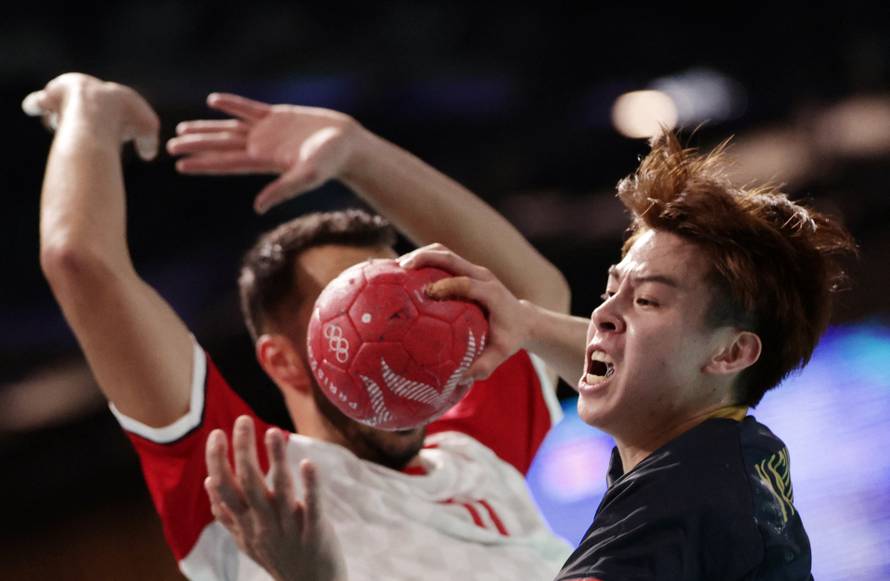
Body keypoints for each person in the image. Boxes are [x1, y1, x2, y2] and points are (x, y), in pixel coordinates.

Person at [209, 132, 856, 579]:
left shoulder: (677, 504)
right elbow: (663, 365)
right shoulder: (739, 450)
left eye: (649, 300)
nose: (603, 314)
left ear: (731, 351)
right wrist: (522, 322)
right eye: (610, 289)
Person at [26, 73, 589, 580]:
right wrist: (89, 113)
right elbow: (81, 263)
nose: (398, 329)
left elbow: (534, 295)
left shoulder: (470, 454)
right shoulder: (246, 485)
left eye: (402, 300)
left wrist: (358, 152)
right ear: (281, 360)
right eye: (357, 308)